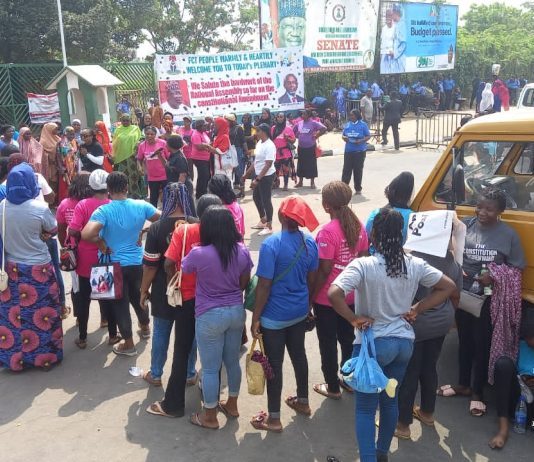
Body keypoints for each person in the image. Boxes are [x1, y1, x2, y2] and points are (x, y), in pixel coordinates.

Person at [328, 207, 456, 462]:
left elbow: (334, 293)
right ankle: (382, 453)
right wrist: (417, 308)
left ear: (374, 235)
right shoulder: (414, 264)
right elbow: (448, 287)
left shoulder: (364, 265)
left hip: (373, 347)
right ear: (402, 236)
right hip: (403, 346)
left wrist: (353, 319)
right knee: (389, 401)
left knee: (366, 409)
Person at [437, 189, 526, 418]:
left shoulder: (508, 235)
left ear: (500, 211)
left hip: (489, 299)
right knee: (464, 339)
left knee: (482, 343)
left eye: (489, 209)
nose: (482, 212)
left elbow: (517, 268)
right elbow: (451, 251)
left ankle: (477, 392)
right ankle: (463, 384)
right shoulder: (465, 226)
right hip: (462, 294)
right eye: (479, 206)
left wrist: (494, 276)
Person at [147, 194, 223, 416]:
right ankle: (211, 401)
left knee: (181, 347)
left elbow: (168, 263)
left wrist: (173, 280)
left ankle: (173, 404)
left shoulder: (185, 231)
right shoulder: (224, 236)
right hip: (215, 301)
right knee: (212, 352)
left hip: (187, 298)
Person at [250, 196, 319, 433]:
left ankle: (274, 418)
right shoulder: (309, 242)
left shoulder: (271, 244)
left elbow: (264, 285)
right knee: (299, 355)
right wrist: (307, 306)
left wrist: (255, 317)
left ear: (281, 216)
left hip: (274, 317)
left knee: (274, 365)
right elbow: (312, 280)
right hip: (299, 312)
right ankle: (303, 401)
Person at [184, 206, 253, 429]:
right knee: (232, 362)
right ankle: (232, 404)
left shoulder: (199, 253)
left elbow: (185, 269)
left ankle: (210, 416)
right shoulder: (241, 250)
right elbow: (244, 280)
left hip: (209, 314)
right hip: (236, 311)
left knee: (211, 369)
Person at [81, 172, 160, 356]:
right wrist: (144, 231)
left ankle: (129, 344)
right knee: (139, 295)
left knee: (120, 304)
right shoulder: (141, 205)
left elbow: (86, 234)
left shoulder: (104, 211)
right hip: (137, 262)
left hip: (114, 265)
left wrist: (100, 242)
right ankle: (145, 327)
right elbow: (163, 219)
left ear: (108, 190)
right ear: (126, 187)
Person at [395, 230, 463, 440]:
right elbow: (456, 295)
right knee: (429, 367)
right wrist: (450, 318)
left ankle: (403, 425)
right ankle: (427, 413)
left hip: (416, 323)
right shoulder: (452, 261)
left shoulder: (414, 259)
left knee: (410, 373)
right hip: (441, 323)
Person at [0, 163, 63, 371]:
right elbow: (53, 229)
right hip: (39, 270)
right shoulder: (39, 208)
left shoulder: (1, 207)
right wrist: (42, 235)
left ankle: (16, 361)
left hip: (11, 269)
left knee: (15, 317)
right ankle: (44, 358)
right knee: (42, 314)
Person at [312, 182, 368, 400]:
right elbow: (363, 259)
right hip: (351, 296)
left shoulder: (327, 232)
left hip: (327, 300)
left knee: (327, 344)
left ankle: (333, 387)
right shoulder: (359, 226)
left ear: (326, 205)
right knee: (348, 340)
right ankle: (348, 380)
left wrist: (310, 297)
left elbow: (324, 270)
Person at [140, 182, 195, 392]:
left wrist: (143, 290)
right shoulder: (197, 224)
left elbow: (150, 266)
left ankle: (156, 374)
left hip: (164, 290)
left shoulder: (156, 228)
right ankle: (190, 373)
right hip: (191, 290)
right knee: (189, 333)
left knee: (161, 332)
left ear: (165, 199)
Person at [68, 170, 117, 347]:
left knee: (84, 300)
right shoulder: (112, 204)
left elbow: (73, 230)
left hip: (85, 260)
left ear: (91, 186)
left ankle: (82, 338)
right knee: (107, 298)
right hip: (105, 258)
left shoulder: (82, 205)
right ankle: (113, 335)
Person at [242, 123, 276, 236]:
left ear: (264, 132)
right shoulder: (260, 143)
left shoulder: (270, 145)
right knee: (256, 197)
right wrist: (246, 174)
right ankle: (263, 220)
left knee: (266, 200)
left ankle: (269, 225)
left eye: (258, 131)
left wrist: (257, 180)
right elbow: (256, 161)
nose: (256, 133)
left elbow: (268, 164)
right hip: (259, 174)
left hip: (266, 176)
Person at [366, 172, 414, 243]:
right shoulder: (413, 218)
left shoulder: (376, 213)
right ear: (409, 195)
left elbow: (366, 237)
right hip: (400, 249)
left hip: (375, 249)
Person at [276, 0, 319, 67]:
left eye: (300, 27)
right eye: (289, 26)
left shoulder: (312, 65)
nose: (295, 33)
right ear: (278, 30)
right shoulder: (268, 66)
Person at [112, 114, 144, 199]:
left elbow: (141, 138)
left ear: (130, 121)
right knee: (122, 177)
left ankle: (135, 195)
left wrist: (138, 144)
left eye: (127, 120)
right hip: (121, 158)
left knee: (134, 176)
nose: (125, 122)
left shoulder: (135, 128)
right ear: (121, 121)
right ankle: (123, 196)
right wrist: (113, 155)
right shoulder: (118, 129)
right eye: (124, 120)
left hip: (133, 157)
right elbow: (114, 143)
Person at [293, 109, 326, 189]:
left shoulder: (313, 123)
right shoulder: (299, 123)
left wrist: (317, 135)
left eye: (304, 114)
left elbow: (324, 128)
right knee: (301, 164)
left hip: (310, 147)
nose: (302, 115)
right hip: (301, 147)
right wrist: (297, 135)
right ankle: (300, 182)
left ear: (308, 115)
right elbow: (293, 131)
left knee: (311, 164)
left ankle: (312, 183)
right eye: (302, 114)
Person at [137, 126, 169, 207]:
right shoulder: (142, 145)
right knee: (153, 199)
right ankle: (154, 214)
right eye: (147, 134)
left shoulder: (163, 143)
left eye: (152, 134)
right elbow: (139, 159)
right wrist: (139, 167)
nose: (149, 136)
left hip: (165, 175)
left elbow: (169, 157)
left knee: (167, 198)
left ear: (156, 134)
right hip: (152, 177)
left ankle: (167, 213)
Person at [341, 109, 371, 195]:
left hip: (359, 152)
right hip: (348, 151)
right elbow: (343, 135)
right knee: (346, 170)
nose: (351, 117)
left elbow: (368, 136)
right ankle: (344, 188)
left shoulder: (363, 125)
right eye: (350, 115)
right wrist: (344, 138)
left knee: (358, 170)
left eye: (352, 115)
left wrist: (361, 140)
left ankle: (358, 189)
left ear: (357, 116)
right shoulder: (348, 124)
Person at [271, 112, 296, 191]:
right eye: (278, 117)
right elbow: (271, 139)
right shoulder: (273, 128)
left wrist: (287, 138)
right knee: (275, 169)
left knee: (286, 170)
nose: (279, 118)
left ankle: (285, 185)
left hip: (285, 152)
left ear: (284, 118)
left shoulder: (288, 128)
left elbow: (293, 140)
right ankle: (276, 183)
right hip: (276, 152)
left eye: (281, 117)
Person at [190, 120, 212, 199]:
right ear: (199, 127)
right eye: (204, 125)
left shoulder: (203, 133)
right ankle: (200, 194)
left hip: (205, 158)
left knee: (206, 175)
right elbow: (199, 147)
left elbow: (206, 143)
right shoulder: (196, 134)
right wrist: (208, 146)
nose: (206, 127)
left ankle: (204, 191)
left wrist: (206, 144)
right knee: (203, 176)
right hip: (199, 158)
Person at [56, 126, 80, 202]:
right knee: (65, 186)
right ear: (65, 134)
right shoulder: (61, 143)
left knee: (74, 184)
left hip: (74, 168)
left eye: (73, 134)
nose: (72, 136)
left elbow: (76, 154)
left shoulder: (75, 142)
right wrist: (62, 168)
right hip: (65, 168)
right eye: (70, 134)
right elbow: (59, 157)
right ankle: (66, 202)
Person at [226, 113, 248, 188]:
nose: (226, 122)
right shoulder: (228, 128)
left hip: (238, 150)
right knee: (231, 169)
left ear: (231, 121)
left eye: (227, 120)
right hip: (230, 150)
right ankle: (233, 185)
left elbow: (243, 141)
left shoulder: (239, 128)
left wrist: (246, 151)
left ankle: (242, 188)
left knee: (239, 170)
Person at [40, 122, 61, 194]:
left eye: (57, 129)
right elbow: (41, 154)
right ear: (49, 129)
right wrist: (48, 158)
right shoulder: (43, 141)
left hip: (58, 164)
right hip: (50, 166)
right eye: (55, 129)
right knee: (52, 182)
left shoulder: (58, 138)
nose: (57, 131)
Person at [178, 116, 194, 180]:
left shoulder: (193, 131)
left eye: (187, 121)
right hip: (181, 153)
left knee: (190, 169)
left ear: (190, 122)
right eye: (184, 121)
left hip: (190, 153)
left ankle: (191, 182)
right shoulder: (180, 129)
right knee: (182, 170)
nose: (185, 123)